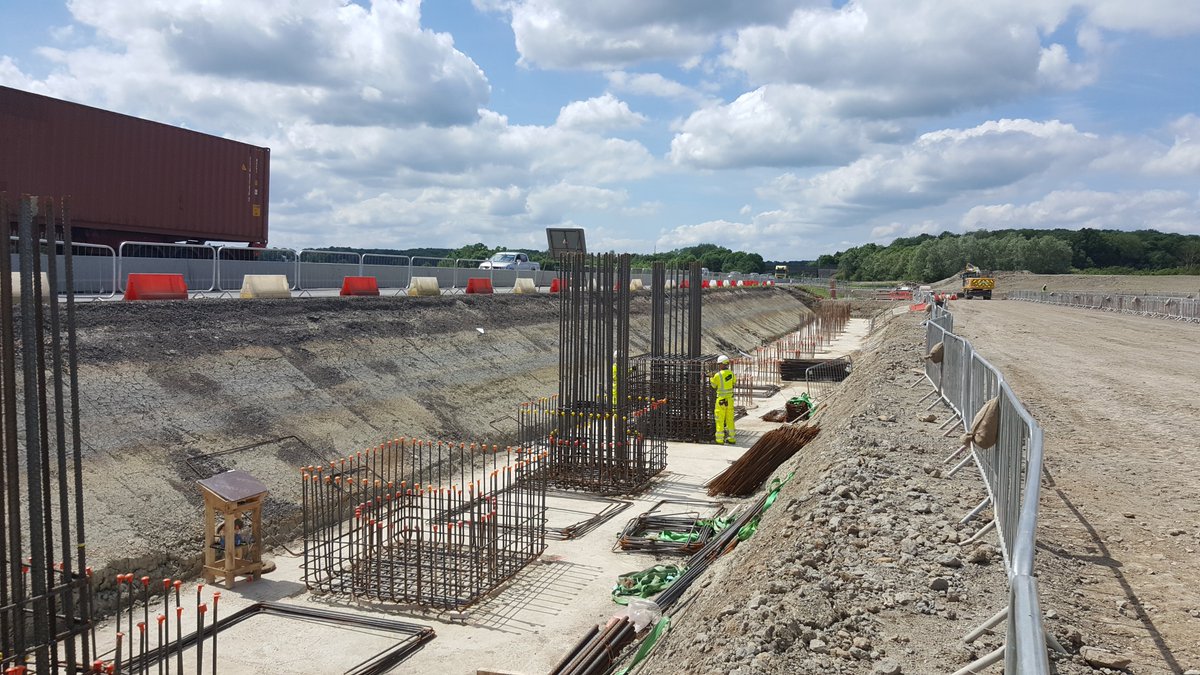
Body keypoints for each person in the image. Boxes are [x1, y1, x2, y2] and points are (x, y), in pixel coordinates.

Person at [709, 355, 736, 444]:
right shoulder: (731, 373)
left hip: (721, 401)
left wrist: (711, 377)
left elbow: (713, 385)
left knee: (719, 419)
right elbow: (734, 382)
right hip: (730, 401)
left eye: (719, 364)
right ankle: (731, 438)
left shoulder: (718, 375)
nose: (718, 366)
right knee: (730, 419)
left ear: (722, 364)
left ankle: (720, 439)